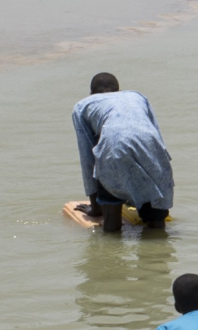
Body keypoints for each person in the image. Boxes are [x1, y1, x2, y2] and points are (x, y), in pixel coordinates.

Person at [73, 72, 172, 232]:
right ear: (119, 91)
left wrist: (96, 209)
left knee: (112, 225)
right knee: (156, 224)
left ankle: (112, 244)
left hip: (113, 145)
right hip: (151, 146)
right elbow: (156, 136)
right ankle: (155, 229)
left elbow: (88, 158)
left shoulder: (82, 106)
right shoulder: (137, 97)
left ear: (92, 94)